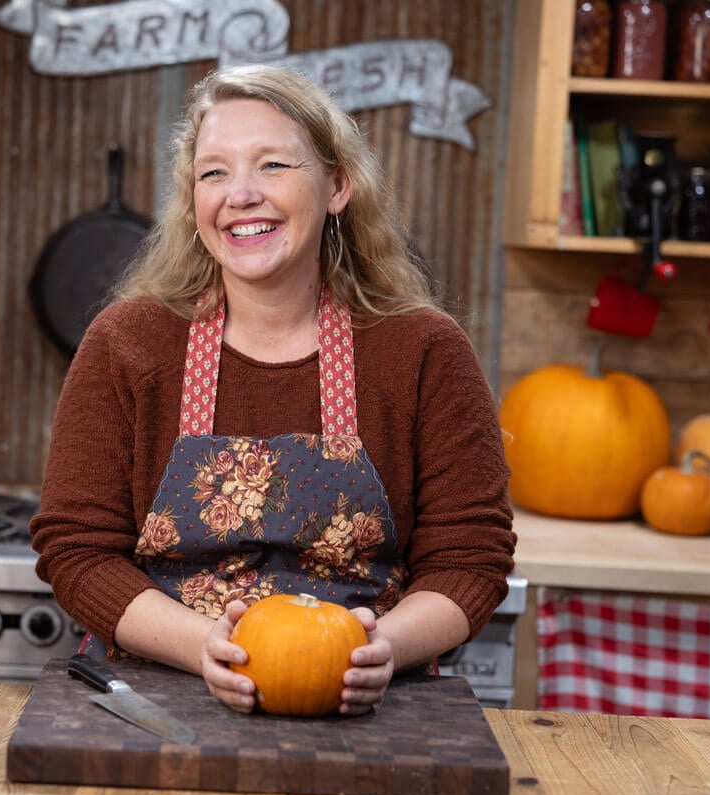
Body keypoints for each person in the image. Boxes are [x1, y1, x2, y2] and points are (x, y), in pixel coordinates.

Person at [30, 64, 516, 716]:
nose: (241, 193)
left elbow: (471, 557)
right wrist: (204, 644)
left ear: (337, 185)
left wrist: (379, 648)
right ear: (193, 201)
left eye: (273, 166)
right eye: (214, 172)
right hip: (164, 702)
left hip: (367, 704)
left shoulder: (425, 351)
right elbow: (76, 550)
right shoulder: (128, 343)